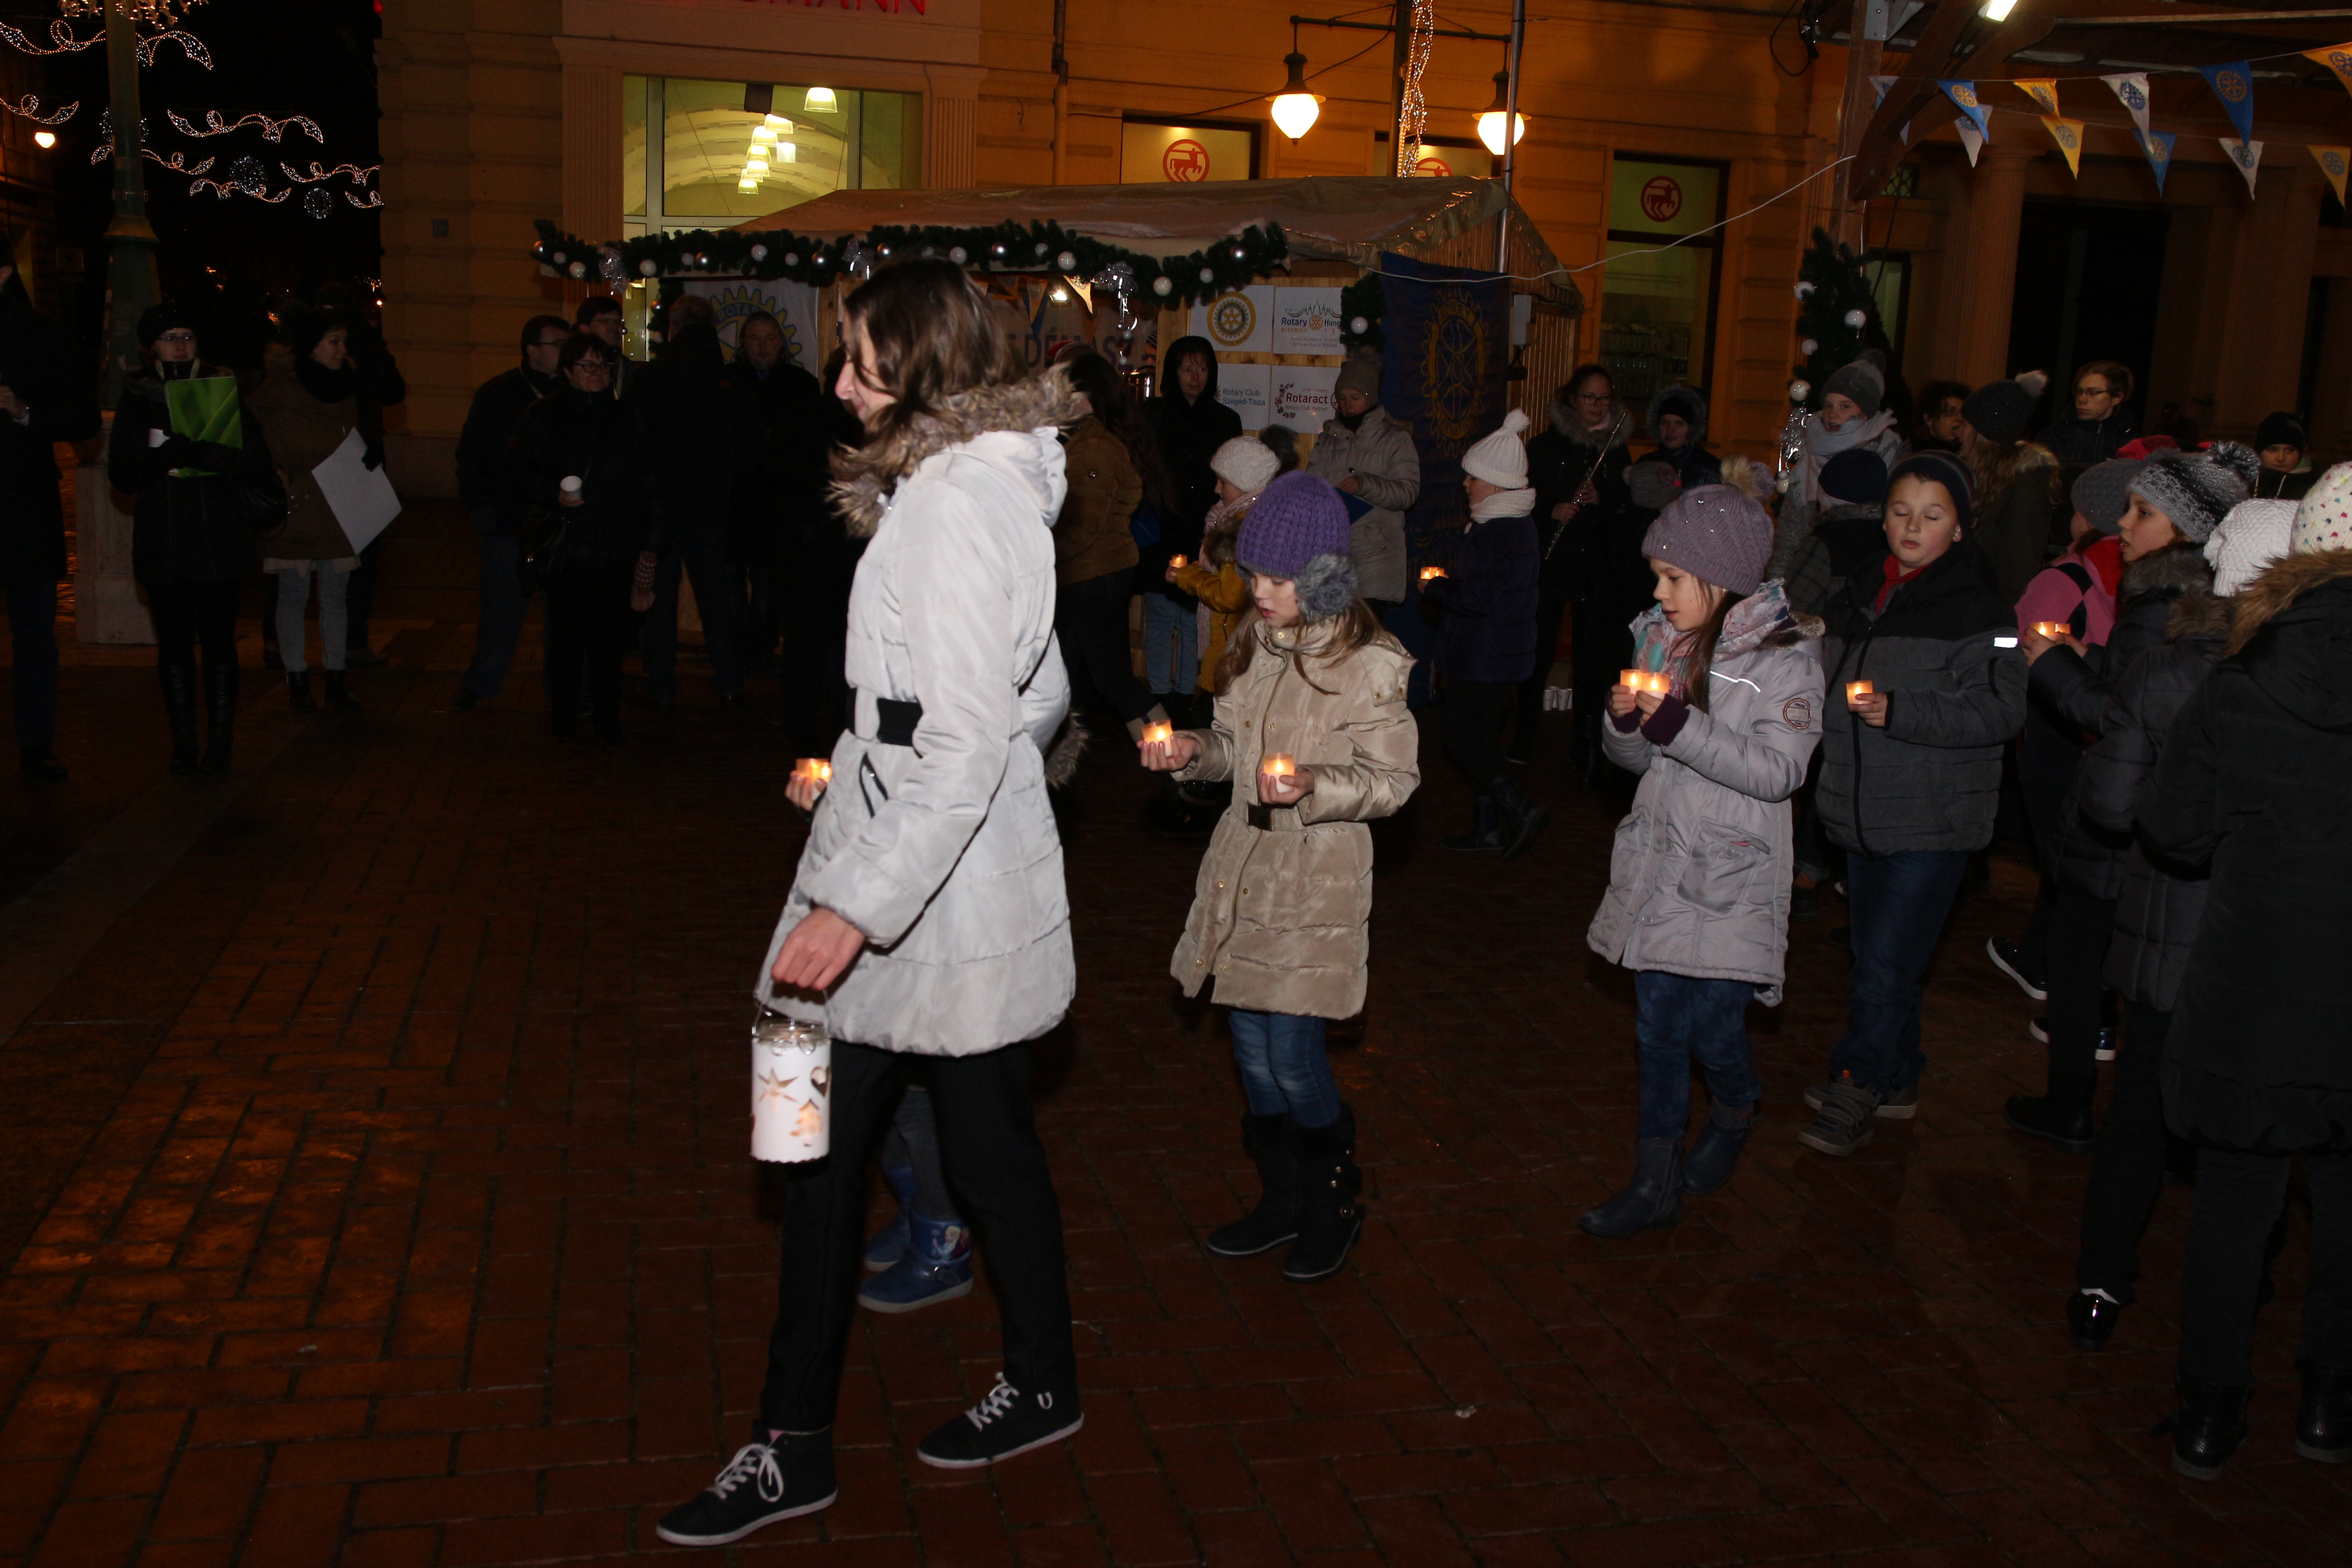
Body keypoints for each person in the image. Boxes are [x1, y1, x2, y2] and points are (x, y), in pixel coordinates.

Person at [657, 262, 1085, 1548]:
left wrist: (852, 904)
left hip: (912, 890)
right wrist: (886, 758)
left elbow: (965, 740)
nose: (840, 384)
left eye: (863, 362)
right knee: (952, 1154)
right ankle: (1027, 1383)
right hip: (932, 864)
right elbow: (1040, 693)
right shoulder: (972, 484)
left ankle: (801, 1444)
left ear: (930, 370)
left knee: (833, 1151)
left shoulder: (956, 504)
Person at [1143, 470, 1419, 1282]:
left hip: (1314, 878)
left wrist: (1314, 786)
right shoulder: (1256, 644)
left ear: (1323, 577)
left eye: (1276, 580)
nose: (1258, 593)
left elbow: (1393, 779)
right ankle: (1281, 1198)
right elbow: (1232, 746)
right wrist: (1194, 751)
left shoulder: (1369, 663)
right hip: (1243, 870)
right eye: (1253, 575)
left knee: (1293, 1055)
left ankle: (1332, 1203)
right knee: (1251, 1050)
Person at [2136, 467, 2352, 1480]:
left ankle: (2210, 1411)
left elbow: (2174, 829)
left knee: (2234, 1201)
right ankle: (2330, 1403)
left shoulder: (2245, 673)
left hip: (2255, 984)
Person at [2064, 498, 2294, 1354]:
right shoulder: (2301, 682)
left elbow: (2110, 804)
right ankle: (2245, 1284)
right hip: (2262, 950)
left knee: (2138, 1111)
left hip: (2166, 932)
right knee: (2252, 1128)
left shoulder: (2166, 669)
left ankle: (2099, 1280)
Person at [1583, 481, 1823, 1235]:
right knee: (1656, 1029)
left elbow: (1778, 772)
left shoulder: (1784, 659)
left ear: (1720, 580)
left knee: (1714, 1031)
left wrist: (1678, 726)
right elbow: (1634, 762)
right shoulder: (1660, 640)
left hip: (1727, 879)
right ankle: (1652, 1180)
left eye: (1672, 578)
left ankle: (1735, 1106)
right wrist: (1625, 726)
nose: (1657, 592)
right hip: (1661, 866)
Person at [2006, 446, 2252, 1152]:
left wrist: (2055, 667)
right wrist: (2085, 658)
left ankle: (2071, 1105)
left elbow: (2121, 717)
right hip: (2157, 815)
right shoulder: (2184, 598)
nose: (2123, 524)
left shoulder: (2162, 606)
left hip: (2120, 815)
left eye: (2142, 512)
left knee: (2080, 965)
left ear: (2183, 528)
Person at [1799, 451, 2028, 1155]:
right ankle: (1898, 1077)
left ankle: (1857, 1080)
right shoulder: (1858, 594)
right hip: (1861, 812)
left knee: (1886, 965)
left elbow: (2001, 708)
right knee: (1879, 957)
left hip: (1934, 817)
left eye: (1932, 516)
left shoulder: (1983, 609)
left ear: (1959, 528)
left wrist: (1902, 710)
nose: (1912, 527)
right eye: (1901, 512)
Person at [108, 304, 283, 774]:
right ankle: (184, 742)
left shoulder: (223, 391)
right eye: (170, 337)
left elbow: (256, 462)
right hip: (164, 540)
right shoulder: (138, 398)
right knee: (175, 648)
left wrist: (205, 453)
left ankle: (220, 741)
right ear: (152, 346)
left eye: (187, 335)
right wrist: (165, 456)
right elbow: (123, 475)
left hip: (219, 537)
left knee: (220, 645)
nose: (180, 345)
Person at [1988, 458, 2134, 1009]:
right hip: (2116, 744)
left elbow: (2016, 645)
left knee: (2064, 860)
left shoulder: (2066, 578)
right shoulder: (2148, 580)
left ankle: (2066, 986)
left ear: (2087, 516)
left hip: (2060, 733)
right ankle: (2042, 954)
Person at [509, 333, 646, 743]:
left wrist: (646, 538)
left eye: (603, 366)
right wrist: (553, 494)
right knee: (566, 638)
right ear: (568, 371)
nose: (597, 374)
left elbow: (646, 478)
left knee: (609, 640)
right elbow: (518, 469)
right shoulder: (544, 416)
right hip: (567, 544)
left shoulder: (625, 417)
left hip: (613, 543)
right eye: (588, 365)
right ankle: (565, 718)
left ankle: (607, 719)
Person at [1421, 409, 1546, 858]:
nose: (1466, 484)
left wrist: (1435, 587)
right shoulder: (1512, 525)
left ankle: (1519, 807)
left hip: (1482, 654)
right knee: (1481, 739)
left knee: (1460, 736)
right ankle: (1487, 830)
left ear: (1493, 484)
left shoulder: (1497, 531)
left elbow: (1477, 598)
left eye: (1473, 478)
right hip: (1501, 652)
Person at [0, 238, 101, 781]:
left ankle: (36, 745)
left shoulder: (42, 336)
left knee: (35, 632)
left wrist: (24, 412)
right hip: (24, 510)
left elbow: (83, 418)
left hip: (23, 508)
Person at [631, 294, 760, 710]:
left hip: (662, 507)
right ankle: (729, 679)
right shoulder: (729, 381)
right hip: (712, 508)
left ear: (674, 328)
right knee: (717, 599)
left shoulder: (652, 378)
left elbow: (636, 444)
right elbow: (748, 449)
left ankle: (661, 684)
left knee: (660, 600)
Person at [249, 309, 378, 715]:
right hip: (297, 504)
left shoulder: (346, 385)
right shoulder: (279, 388)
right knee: (293, 595)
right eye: (334, 342)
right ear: (311, 345)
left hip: (338, 502)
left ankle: (336, 678)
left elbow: (358, 432)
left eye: (343, 342)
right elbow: (256, 432)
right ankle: (298, 679)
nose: (342, 351)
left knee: (336, 596)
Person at [1517, 366, 1636, 774]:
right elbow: (1523, 496)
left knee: (1591, 661)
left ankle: (1586, 745)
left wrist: (1603, 498)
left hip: (1595, 567)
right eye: (1590, 398)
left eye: (1604, 398)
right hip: (1552, 564)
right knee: (1537, 654)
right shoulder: (1545, 445)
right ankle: (1523, 737)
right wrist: (1552, 509)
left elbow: (1627, 504)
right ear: (1573, 399)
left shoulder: (1616, 448)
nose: (1598, 406)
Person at [452, 313, 568, 710]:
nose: (565, 352)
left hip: (558, 521)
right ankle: (482, 683)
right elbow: (472, 455)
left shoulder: (571, 393)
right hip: (507, 522)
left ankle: (565, 690)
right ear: (533, 351)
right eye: (557, 345)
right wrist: (482, 507)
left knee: (563, 615)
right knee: (501, 609)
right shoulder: (498, 394)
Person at [1050, 346, 1165, 742]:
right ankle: (1050, 764)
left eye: (1068, 391)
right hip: (1090, 575)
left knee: (1113, 680)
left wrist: (1041, 559)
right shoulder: (1090, 437)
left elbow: (1083, 526)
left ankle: (1173, 757)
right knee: (1064, 679)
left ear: (1089, 395)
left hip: (1091, 576)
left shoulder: (1095, 446)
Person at [1146, 335, 1242, 727]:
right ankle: (1158, 697)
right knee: (1159, 616)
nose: (1195, 376)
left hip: (1204, 531)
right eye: (1187, 368)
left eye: (1202, 368)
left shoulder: (1226, 420)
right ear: (1173, 372)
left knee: (1193, 617)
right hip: (1160, 527)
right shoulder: (1153, 414)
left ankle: (1187, 697)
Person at [726, 311, 825, 680]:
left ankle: (761, 648)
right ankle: (739, 649)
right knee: (731, 586)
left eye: (769, 338)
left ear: (780, 343)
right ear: (743, 343)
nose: (763, 346)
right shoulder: (727, 382)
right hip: (735, 501)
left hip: (779, 502)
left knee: (769, 586)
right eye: (755, 338)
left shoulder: (801, 385)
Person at [315, 284, 407, 669]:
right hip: (349, 459)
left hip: (348, 459)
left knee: (338, 559)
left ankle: (342, 643)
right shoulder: (362, 348)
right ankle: (348, 642)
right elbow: (393, 391)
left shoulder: (355, 351)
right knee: (352, 558)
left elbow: (393, 391)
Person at [1766, 356, 1910, 585]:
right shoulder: (1811, 450)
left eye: (1845, 406)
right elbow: (1791, 527)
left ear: (1865, 412)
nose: (1833, 414)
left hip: (1868, 571)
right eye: (1828, 405)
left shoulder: (1889, 451)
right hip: (1814, 569)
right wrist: (1777, 582)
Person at [1306, 348, 1417, 611]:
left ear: (1371, 397)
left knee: (1366, 634)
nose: (1347, 405)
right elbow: (1311, 489)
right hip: (1334, 557)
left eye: (1355, 398)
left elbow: (1408, 493)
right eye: (1342, 398)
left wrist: (1366, 484)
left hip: (1376, 559)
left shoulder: (1396, 439)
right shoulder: (1327, 440)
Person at [1957, 373, 2062, 601]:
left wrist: (2001, 613)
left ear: (1982, 433)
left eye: (1964, 425)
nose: (1959, 432)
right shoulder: (1975, 473)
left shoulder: (2025, 485)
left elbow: (2019, 565)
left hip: (1991, 605)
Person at [2038, 360, 2141, 466]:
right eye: (2080, 391)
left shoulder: (2132, 443)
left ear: (2116, 398)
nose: (2082, 399)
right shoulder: (2053, 437)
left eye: (2094, 393)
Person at [1637, 383, 1719, 490]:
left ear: (1691, 429)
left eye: (1679, 424)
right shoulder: (1645, 463)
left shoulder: (1710, 470)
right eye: (1665, 423)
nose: (1670, 430)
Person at [2253, 411, 2315, 501]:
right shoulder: (2242, 484)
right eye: (2272, 450)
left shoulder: (2314, 489)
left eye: (2290, 450)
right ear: (2259, 453)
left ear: (2300, 454)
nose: (2281, 458)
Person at [574, 295, 630, 396]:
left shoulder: (626, 364)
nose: (614, 327)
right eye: (605, 321)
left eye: (618, 322)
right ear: (585, 328)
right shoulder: (574, 360)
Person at [1912, 380, 1970, 453]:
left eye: (1964, 412)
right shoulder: (1916, 453)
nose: (1961, 418)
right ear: (1929, 419)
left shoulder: (1967, 450)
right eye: (1951, 412)